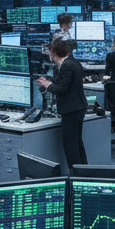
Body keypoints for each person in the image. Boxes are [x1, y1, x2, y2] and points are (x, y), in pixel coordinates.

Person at [38, 37, 87, 169]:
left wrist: (47, 84)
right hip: (78, 108)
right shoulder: (72, 62)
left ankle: (76, 175)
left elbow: (61, 89)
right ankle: (84, 172)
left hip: (71, 110)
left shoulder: (67, 66)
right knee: (77, 143)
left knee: (71, 146)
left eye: (49, 51)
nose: (48, 53)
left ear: (55, 52)